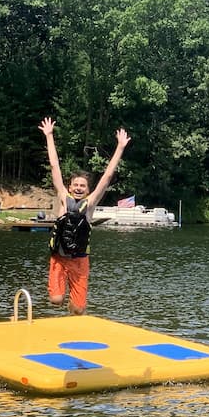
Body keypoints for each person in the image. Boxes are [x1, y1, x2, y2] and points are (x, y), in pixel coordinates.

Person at [38, 116, 131, 314]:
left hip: (80, 260)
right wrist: (49, 135)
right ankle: (61, 296)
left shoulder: (90, 204)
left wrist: (120, 147)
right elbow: (54, 166)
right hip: (59, 258)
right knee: (56, 300)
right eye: (76, 185)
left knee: (78, 309)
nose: (79, 188)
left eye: (83, 186)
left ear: (88, 190)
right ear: (70, 186)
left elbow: (107, 177)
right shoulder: (63, 198)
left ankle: (73, 312)